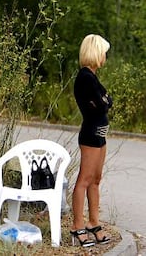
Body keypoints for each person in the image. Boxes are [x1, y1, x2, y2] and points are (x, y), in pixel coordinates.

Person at [70, 34, 112, 247]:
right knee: (84, 180)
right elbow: (103, 103)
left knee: (96, 179)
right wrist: (104, 100)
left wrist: (104, 100)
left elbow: (106, 100)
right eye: (104, 52)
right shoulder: (85, 78)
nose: (105, 56)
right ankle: (77, 226)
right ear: (96, 52)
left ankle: (93, 221)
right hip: (90, 135)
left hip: (99, 135)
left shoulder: (93, 77)